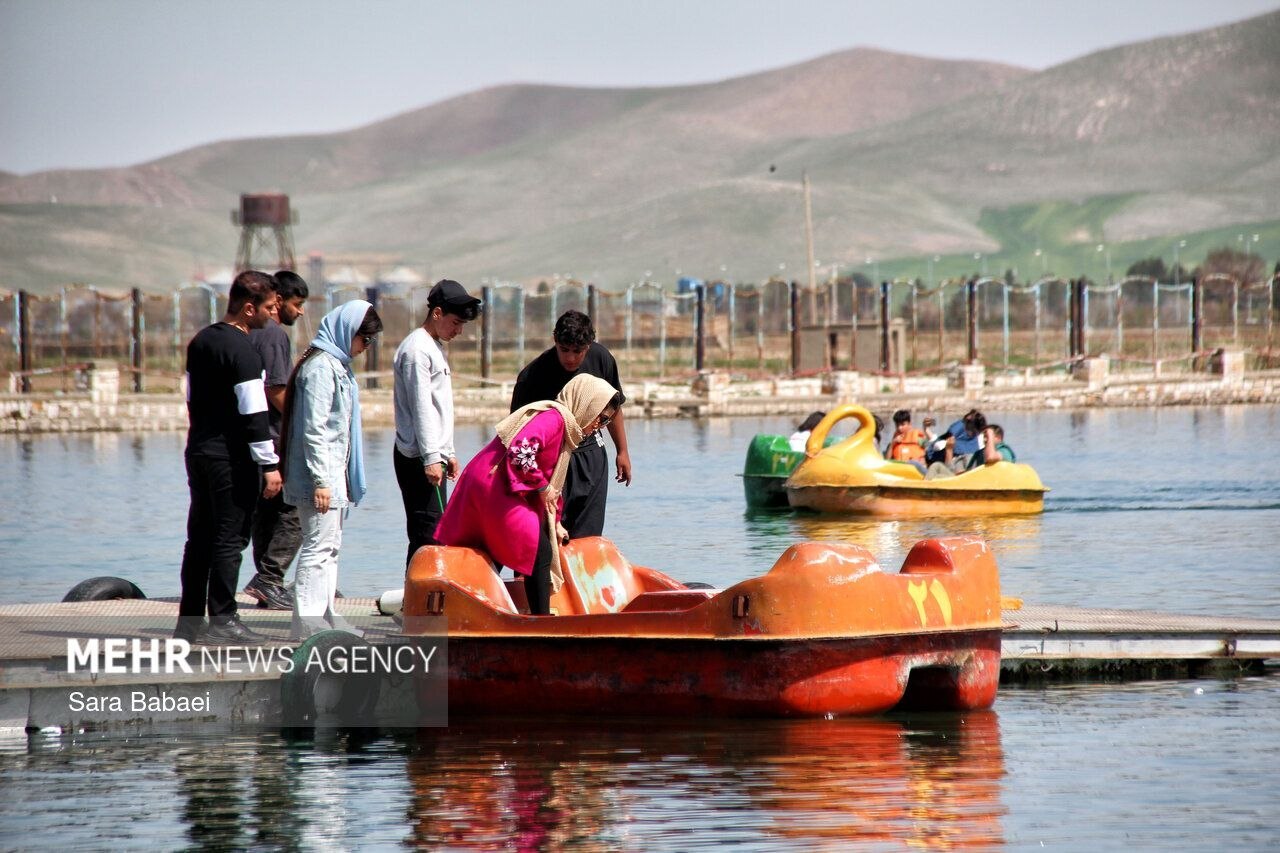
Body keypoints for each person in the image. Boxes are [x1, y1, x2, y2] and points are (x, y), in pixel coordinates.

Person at [437, 374, 623, 616]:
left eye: (606, 421)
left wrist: (556, 522)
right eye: (601, 417)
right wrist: (542, 488)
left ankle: (474, 609)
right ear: (586, 404)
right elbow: (521, 452)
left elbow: (551, 483)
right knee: (539, 551)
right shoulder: (553, 418)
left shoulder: (567, 430)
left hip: (500, 486)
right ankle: (541, 621)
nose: (600, 426)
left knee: (499, 548)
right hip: (494, 485)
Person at [174, 270, 280, 645]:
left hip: (199, 450)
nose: (273, 313)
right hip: (230, 460)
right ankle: (223, 619)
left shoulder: (201, 341)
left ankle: (189, 623)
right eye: (269, 307)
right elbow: (255, 414)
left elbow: (191, 399)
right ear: (249, 308)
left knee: (199, 539)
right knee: (229, 540)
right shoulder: (243, 350)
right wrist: (269, 464)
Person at [281, 299, 383, 640]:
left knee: (330, 547)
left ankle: (325, 614)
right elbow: (315, 430)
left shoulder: (337, 365)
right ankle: (309, 625)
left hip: (333, 475)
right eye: (364, 339)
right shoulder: (321, 369)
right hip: (319, 479)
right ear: (346, 332)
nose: (366, 347)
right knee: (317, 548)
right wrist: (322, 481)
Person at [510, 310, 631, 539]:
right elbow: (516, 435)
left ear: (588, 346)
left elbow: (613, 407)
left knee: (589, 534)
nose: (571, 358)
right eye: (564, 350)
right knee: (549, 532)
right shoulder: (532, 376)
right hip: (553, 459)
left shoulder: (601, 359)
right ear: (555, 341)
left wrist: (622, 451)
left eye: (578, 351)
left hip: (592, 453)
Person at [392, 279, 482, 567]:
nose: (459, 331)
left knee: (434, 531)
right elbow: (421, 408)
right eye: (455, 323)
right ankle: (419, 591)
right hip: (418, 456)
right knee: (427, 534)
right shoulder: (417, 350)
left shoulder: (433, 347)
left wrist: (448, 452)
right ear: (437, 313)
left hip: (432, 454)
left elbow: (439, 406)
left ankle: (423, 589)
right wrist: (432, 457)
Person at [243, 270, 309, 610]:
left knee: (264, 515)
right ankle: (269, 578)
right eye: (297, 304)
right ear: (279, 300)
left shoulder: (248, 331)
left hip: (252, 438)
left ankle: (268, 584)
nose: (300, 311)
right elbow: (275, 389)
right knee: (295, 508)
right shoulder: (273, 335)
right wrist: (304, 420)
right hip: (273, 437)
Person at [886, 409, 928, 475]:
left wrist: (926, 429)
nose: (899, 428)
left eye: (902, 425)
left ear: (909, 424)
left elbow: (928, 447)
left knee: (912, 463)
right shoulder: (894, 440)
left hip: (917, 471)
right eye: (897, 425)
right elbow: (887, 459)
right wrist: (892, 443)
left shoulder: (918, 437)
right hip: (901, 470)